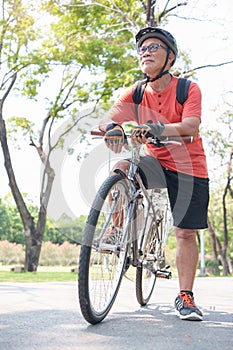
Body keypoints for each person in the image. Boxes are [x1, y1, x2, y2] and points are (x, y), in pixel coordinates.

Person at [99, 27, 209, 321]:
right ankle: (116, 229)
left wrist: (157, 128)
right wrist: (113, 129)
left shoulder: (188, 89)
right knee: (121, 167)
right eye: (142, 49)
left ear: (169, 57)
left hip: (189, 166)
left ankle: (185, 296)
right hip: (156, 162)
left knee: (185, 232)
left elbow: (190, 127)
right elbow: (106, 121)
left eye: (153, 48)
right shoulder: (136, 92)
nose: (145, 52)